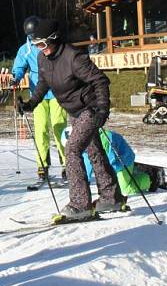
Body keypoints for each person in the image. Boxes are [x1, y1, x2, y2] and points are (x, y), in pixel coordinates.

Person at [18, 18, 125, 220]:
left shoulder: (73, 57)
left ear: (53, 39)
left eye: (42, 44)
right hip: (74, 110)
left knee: (72, 150)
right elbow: (43, 83)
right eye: (36, 45)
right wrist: (30, 103)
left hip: (90, 108)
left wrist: (103, 109)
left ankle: (80, 204)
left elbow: (100, 80)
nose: (40, 48)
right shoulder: (42, 58)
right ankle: (111, 197)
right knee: (94, 150)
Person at [12, 16, 67, 182]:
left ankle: (67, 163)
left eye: (33, 34)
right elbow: (19, 66)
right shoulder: (25, 49)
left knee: (59, 127)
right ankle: (42, 165)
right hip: (38, 94)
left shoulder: (49, 43)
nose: (32, 38)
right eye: (29, 36)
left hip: (57, 91)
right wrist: (16, 77)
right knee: (41, 128)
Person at [62, 128, 153, 197]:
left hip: (122, 162)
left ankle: (151, 178)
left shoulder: (104, 140)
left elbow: (109, 162)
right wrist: (85, 182)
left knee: (124, 190)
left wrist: (108, 182)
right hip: (113, 164)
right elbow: (87, 163)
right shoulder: (85, 145)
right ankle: (134, 172)